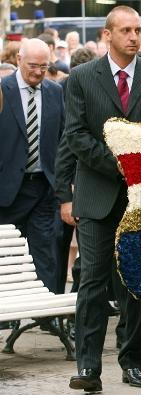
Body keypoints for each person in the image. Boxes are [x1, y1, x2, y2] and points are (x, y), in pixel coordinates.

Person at [64, 6, 141, 391]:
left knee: (137, 284)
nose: (134, 36)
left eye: (138, 30)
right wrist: (121, 164)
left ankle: (132, 361)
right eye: (126, 30)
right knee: (92, 284)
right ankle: (87, 368)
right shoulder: (81, 77)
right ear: (107, 34)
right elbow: (76, 136)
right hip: (97, 197)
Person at [0, 38, 64, 295]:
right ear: (18, 61)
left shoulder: (54, 92)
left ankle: (46, 315)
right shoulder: (3, 90)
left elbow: (62, 138)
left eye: (44, 67)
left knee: (45, 252)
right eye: (33, 66)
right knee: (6, 256)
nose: (38, 72)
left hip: (43, 188)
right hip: (7, 190)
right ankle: (5, 315)